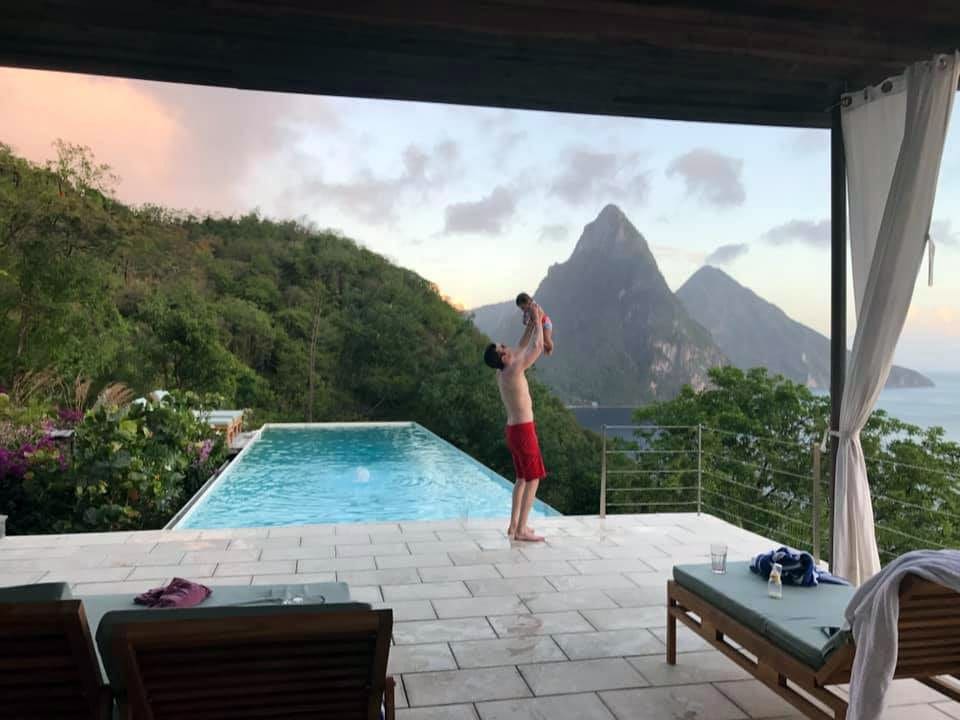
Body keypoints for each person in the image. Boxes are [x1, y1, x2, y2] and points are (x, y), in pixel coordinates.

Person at [483, 301, 547, 542]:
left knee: (521, 478)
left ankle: (513, 526)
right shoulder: (513, 369)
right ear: (501, 355)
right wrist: (540, 320)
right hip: (523, 430)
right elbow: (537, 347)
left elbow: (521, 345)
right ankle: (521, 530)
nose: (506, 346)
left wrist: (531, 324)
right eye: (502, 347)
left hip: (513, 430)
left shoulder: (502, 371)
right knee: (533, 479)